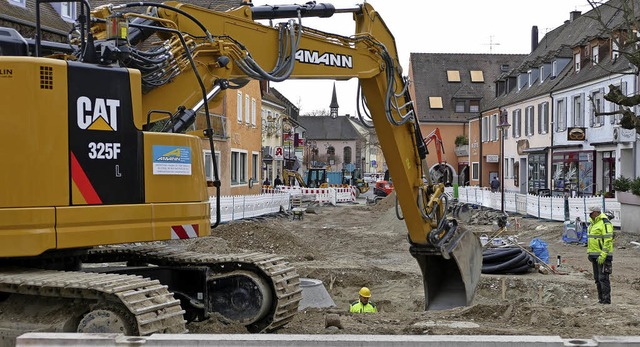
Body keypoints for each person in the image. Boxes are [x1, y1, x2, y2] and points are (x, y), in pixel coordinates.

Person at [587, 205, 614, 304]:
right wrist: (589, 252)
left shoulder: (605, 223)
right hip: (594, 255)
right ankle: (601, 300)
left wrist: (603, 254)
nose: (589, 215)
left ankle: (606, 301)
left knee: (603, 278)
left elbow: (608, 240)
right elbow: (591, 239)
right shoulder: (592, 224)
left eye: (591, 213)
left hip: (604, 256)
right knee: (597, 279)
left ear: (596, 212)